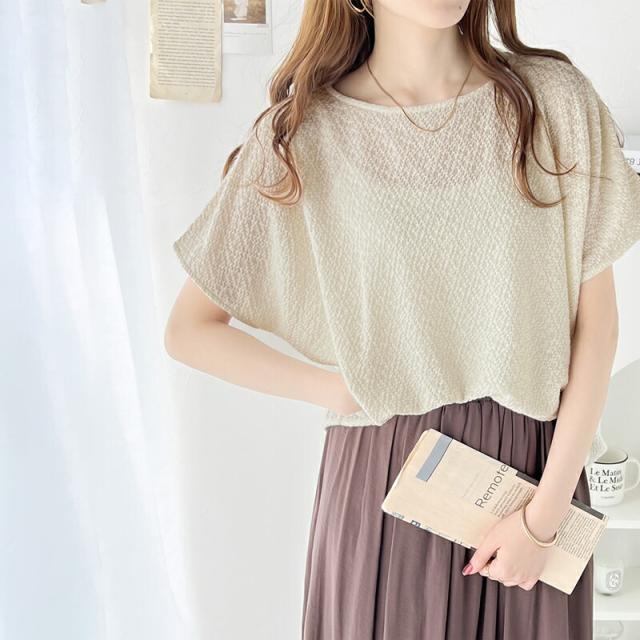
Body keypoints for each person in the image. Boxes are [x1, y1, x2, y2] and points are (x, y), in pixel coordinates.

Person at [165, 1, 640, 638]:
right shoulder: (307, 134)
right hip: (386, 479)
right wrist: (341, 390)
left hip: (534, 475)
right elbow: (190, 330)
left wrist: (541, 520)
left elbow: (597, 329)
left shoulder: (553, 102)